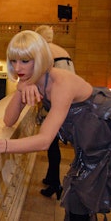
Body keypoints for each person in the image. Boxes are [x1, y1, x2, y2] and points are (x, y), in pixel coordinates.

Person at [0, 30, 111, 220]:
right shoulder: (31, 80)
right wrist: (21, 87)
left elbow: (44, 141)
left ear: (39, 59)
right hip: (93, 140)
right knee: (79, 200)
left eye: (25, 61)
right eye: (13, 61)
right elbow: (9, 120)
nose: (17, 67)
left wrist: (1, 145)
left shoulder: (61, 83)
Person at [35, 25, 76, 199]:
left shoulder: (44, 52)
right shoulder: (63, 51)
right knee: (53, 146)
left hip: (56, 103)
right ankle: (52, 179)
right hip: (71, 102)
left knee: (51, 146)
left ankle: (55, 184)